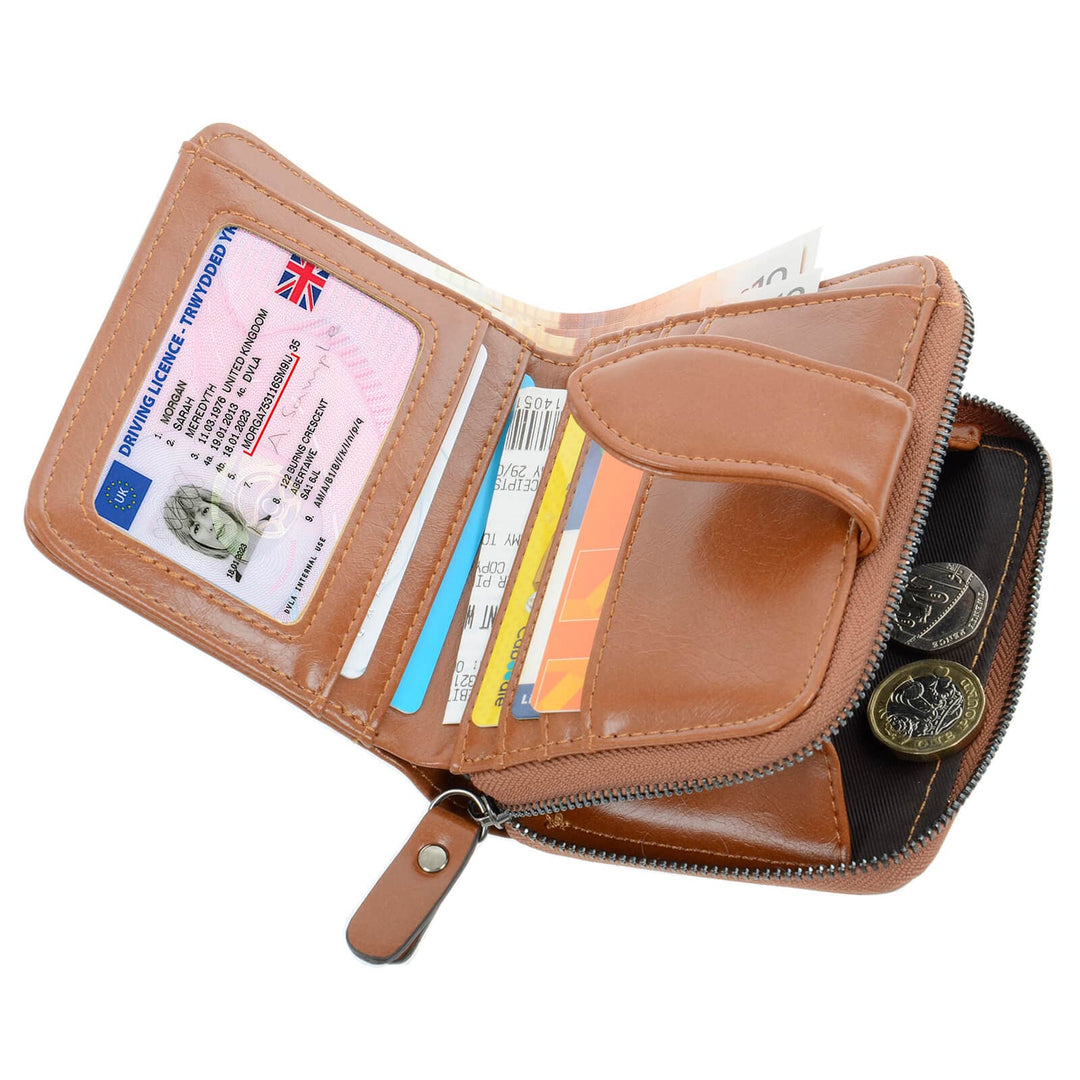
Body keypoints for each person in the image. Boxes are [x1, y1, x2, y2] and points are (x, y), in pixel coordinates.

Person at [162, 485, 270, 581]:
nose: (209, 525)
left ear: (216, 504)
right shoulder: (234, 581)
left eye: (205, 511)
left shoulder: (273, 523)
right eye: (196, 528)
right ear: (195, 542)